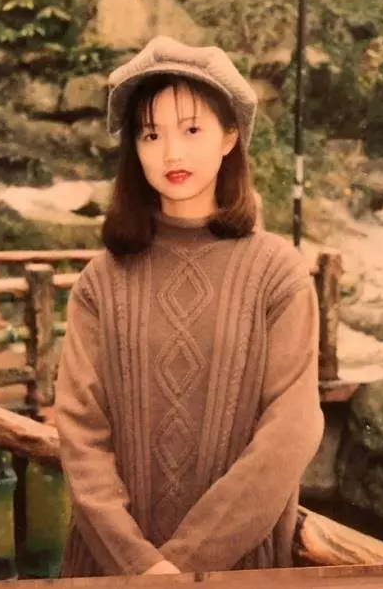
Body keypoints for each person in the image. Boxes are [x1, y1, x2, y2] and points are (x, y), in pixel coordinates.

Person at [54, 35, 324, 578]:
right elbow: (81, 432)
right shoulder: (101, 281)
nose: (172, 153)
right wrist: (138, 562)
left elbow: (290, 430)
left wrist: (183, 566)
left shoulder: (278, 274)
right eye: (151, 134)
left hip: (235, 570)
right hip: (111, 568)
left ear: (230, 137)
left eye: (192, 129)